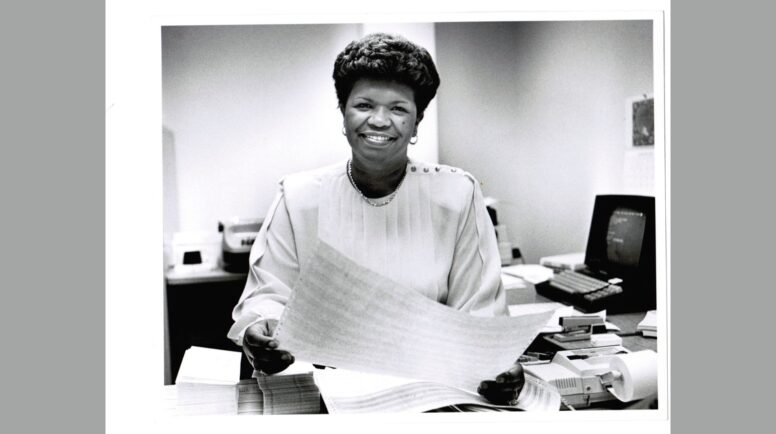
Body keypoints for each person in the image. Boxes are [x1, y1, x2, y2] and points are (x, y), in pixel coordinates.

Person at [228, 33, 523, 406]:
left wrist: (495, 361)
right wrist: (261, 327)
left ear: (416, 123)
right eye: (364, 105)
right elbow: (268, 296)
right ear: (344, 114)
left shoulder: (457, 194)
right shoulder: (299, 196)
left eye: (398, 109)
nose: (379, 121)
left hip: (430, 396)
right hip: (322, 397)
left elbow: (480, 312)